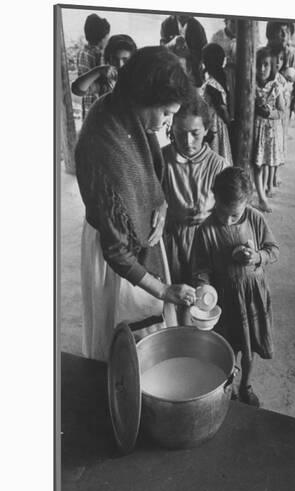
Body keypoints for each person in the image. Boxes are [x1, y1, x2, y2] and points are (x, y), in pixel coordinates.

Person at [75, 47, 196, 361]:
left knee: (147, 334)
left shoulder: (127, 112)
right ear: (144, 99)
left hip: (137, 236)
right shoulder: (105, 150)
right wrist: (164, 291)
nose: (168, 123)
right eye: (166, 113)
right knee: (122, 344)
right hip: (113, 253)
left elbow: (151, 171)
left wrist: (162, 204)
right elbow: (116, 251)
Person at [192, 167, 279, 407]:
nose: (227, 219)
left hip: (252, 297)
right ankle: (228, 386)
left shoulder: (255, 219)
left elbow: (274, 250)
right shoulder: (206, 230)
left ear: (247, 202)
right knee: (226, 348)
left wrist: (257, 257)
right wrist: (203, 288)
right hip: (225, 301)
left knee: (249, 347)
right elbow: (201, 268)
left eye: (234, 214)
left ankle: (246, 385)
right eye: (222, 211)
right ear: (215, 199)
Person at [162, 93, 228, 324]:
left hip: (206, 242)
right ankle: (176, 341)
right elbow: (152, 202)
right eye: (180, 134)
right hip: (171, 241)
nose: (188, 142)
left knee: (204, 298)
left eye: (195, 134)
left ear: (207, 129)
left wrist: (211, 214)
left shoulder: (218, 164)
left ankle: (197, 343)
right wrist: (170, 213)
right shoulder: (163, 160)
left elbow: (232, 209)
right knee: (175, 297)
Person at [253, 48, 286, 213]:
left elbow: (281, 111)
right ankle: (261, 198)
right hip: (255, 132)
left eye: (266, 65)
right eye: (259, 65)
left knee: (266, 161)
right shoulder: (250, 85)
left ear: (272, 66)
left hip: (270, 133)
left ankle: (266, 187)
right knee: (256, 165)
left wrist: (269, 113)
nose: (262, 69)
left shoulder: (276, 86)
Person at [72, 34, 137, 99]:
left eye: (125, 60)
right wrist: (98, 70)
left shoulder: (139, 79)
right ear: (108, 59)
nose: (120, 64)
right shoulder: (106, 82)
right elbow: (78, 89)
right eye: (115, 59)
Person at [200, 43, 233, 165]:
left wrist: (228, 121)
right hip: (217, 122)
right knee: (219, 151)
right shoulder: (215, 82)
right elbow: (222, 107)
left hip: (213, 121)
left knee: (215, 151)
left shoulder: (211, 83)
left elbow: (221, 106)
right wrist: (229, 122)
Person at [76, 13, 110, 120]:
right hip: (95, 104)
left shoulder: (86, 52)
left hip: (93, 103)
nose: (108, 39)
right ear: (101, 38)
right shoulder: (92, 54)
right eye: (107, 36)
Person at [160, 14, 207, 86]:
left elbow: (204, 52)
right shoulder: (166, 24)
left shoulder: (197, 26)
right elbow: (162, 50)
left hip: (193, 73)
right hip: (172, 73)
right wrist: (173, 43)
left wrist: (189, 54)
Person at [266, 21, 295, 116]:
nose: (284, 35)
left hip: (284, 103)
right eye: (280, 31)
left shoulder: (292, 53)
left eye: (287, 31)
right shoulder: (265, 54)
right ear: (272, 33)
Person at [211, 18, 237, 121]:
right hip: (220, 75)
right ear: (226, 21)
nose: (236, 27)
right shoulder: (217, 37)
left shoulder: (245, 38)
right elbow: (209, 56)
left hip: (238, 76)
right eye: (233, 22)